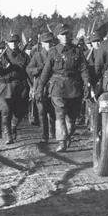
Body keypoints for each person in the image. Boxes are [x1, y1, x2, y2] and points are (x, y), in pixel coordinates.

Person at [37, 24, 90, 152]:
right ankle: (61, 141)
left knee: (71, 120)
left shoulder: (77, 51)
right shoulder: (53, 51)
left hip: (74, 88)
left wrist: (87, 83)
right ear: (58, 36)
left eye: (67, 34)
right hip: (57, 87)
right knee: (60, 114)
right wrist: (40, 88)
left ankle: (68, 134)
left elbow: (84, 69)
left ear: (70, 35)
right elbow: (46, 72)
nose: (65, 37)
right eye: (62, 34)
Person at [0, 34, 30, 144]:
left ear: (19, 43)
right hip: (4, 88)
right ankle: (8, 135)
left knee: (20, 112)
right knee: (6, 111)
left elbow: (28, 72)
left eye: (15, 41)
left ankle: (13, 126)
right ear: (7, 43)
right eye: (11, 42)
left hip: (20, 87)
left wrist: (32, 87)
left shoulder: (24, 56)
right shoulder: (1, 56)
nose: (13, 44)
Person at [27, 32, 57, 143]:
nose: (48, 44)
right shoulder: (37, 55)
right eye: (46, 42)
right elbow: (29, 69)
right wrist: (38, 70)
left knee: (53, 110)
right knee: (42, 111)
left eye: (50, 42)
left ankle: (52, 132)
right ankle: (44, 135)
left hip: (54, 85)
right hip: (40, 86)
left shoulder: (56, 53)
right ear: (42, 44)